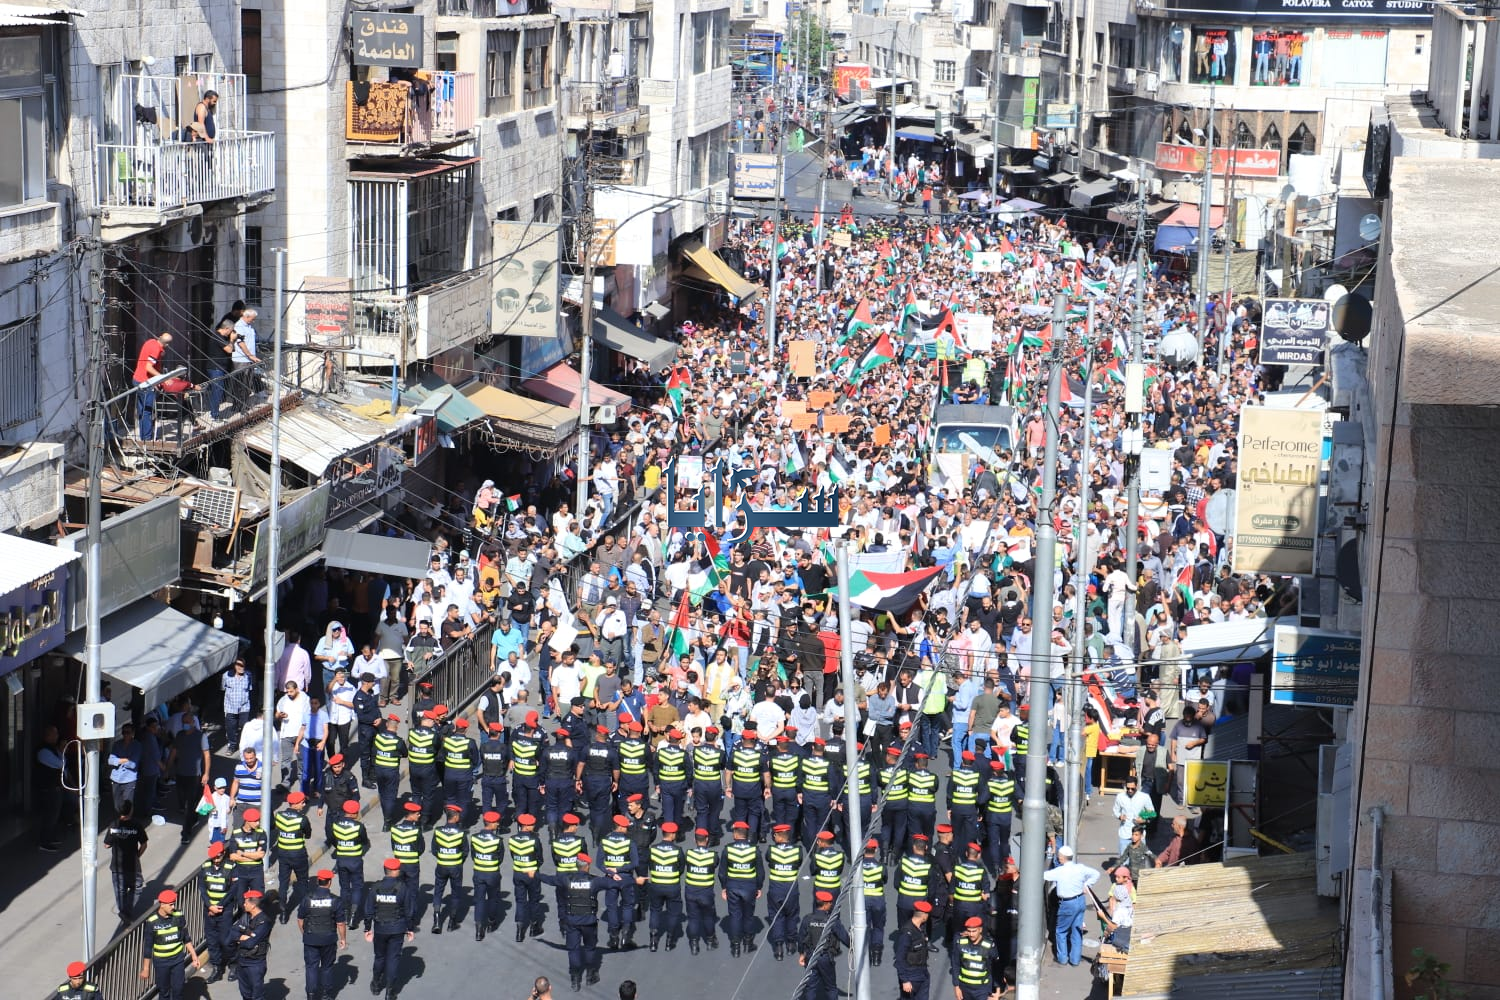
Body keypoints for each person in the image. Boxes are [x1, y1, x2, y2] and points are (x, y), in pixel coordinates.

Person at [534, 852, 625, 992]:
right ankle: (590, 976)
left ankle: (575, 980)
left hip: (572, 922)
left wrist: (534, 874)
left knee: (573, 950)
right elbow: (616, 884)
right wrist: (631, 880)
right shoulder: (595, 881)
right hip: (589, 922)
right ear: (587, 866)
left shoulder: (566, 879)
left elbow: (550, 880)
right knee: (589, 948)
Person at [365, 857, 416, 1000]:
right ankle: (390, 991)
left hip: (380, 928)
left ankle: (375, 984)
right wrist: (410, 929)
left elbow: (369, 909)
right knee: (393, 959)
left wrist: (367, 928)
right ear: (395, 871)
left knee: (380, 957)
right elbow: (409, 910)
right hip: (397, 928)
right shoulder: (403, 888)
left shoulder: (375, 887)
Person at [1041, 845, 1099, 966]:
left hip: (1067, 904)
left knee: (1061, 931)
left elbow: (1043, 875)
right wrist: (1087, 886)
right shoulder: (1080, 868)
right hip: (1080, 900)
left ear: (1062, 858)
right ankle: (1075, 959)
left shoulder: (1059, 871)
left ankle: (1062, 958)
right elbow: (1096, 874)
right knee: (1076, 931)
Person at [139, 889, 202, 1000]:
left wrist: (194, 956)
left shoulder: (178, 916)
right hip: (161, 963)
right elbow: (148, 947)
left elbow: (186, 938)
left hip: (177, 960)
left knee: (178, 989)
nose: (173, 907)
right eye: (171, 904)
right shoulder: (152, 922)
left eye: (174, 904)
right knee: (164, 991)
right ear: (162, 905)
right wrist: (146, 969)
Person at [297, 869, 346, 1000]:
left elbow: (300, 919)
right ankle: (326, 995)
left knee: (311, 967)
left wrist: (305, 934)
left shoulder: (308, 898)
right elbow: (340, 923)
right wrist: (343, 939)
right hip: (328, 939)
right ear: (329, 882)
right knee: (327, 967)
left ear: (318, 881)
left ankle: (311, 995)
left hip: (310, 938)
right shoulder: (336, 900)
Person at [798, 889, 849, 1000]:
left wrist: (802, 954)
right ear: (825, 905)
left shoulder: (807, 919)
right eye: (830, 903)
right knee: (831, 987)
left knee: (810, 987)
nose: (831, 904)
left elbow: (801, 937)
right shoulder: (831, 920)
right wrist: (853, 947)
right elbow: (843, 936)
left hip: (811, 957)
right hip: (826, 957)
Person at [329, 799, 370, 933]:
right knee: (357, 887)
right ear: (353, 813)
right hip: (355, 861)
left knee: (344, 888)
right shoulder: (359, 826)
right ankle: (353, 917)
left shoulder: (336, 825)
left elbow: (333, 841)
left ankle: (345, 914)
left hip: (341, 860)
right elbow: (364, 841)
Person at [273, 791, 313, 922]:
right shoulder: (302, 819)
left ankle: (283, 914)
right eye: (302, 802)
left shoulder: (279, 816)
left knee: (283, 883)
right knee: (303, 881)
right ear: (295, 804)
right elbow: (308, 834)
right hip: (298, 854)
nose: (304, 804)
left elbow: (275, 827)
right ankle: (305, 910)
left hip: (283, 854)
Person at [104, 800, 148, 918]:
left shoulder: (114, 825)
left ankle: (124, 912)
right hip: (133, 865)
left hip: (117, 866)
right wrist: (137, 855)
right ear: (131, 811)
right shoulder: (136, 825)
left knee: (120, 891)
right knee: (137, 887)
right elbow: (144, 844)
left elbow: (107, 845)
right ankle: (126, 912)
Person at [199, 842, 236, 982]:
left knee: (226, 940)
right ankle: (217, 968)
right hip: (209, 910)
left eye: (218, 857)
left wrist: (219, 906)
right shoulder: (205, 867)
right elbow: (202, 889)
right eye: (213, 857)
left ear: (223, 854)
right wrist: (210, 906)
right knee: (212, 941)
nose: (215, 860)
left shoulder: (231, 867)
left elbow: (233, 890)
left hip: (224, 910)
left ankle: (233, 963)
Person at [430, 803, 469, 934]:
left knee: (438, 891)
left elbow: (434, 849)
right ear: (456, 816)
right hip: (456, 867)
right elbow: (465, 851)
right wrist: (457, 860)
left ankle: (436, 920)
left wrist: (443, 857)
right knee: (456, 893)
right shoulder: (461, 833)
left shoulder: (438, 831)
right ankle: (452, 922)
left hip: (441, 866)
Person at [470, 810, 506, 940]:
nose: (497, 824)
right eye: (496, 822)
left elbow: (473, 855)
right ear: (490, 823)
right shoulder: (498, 840)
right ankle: (491, 922)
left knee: (479, 900)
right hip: (493, 874)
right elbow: (500, 858)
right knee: (492, 898)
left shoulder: (474, 838)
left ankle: (479, 930)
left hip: (478, 873)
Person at [131, 331, 173, 439]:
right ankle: (147, 438)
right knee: (147, 411)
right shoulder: (156, 349)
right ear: (166, 345)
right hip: (145, 383)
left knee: (142, 410)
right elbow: (148, 367)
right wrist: (162, 378)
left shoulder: (150, 342)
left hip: (137, 379)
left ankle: (143, 437)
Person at [949, 915, 998, 1000]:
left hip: (982, 989)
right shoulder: (960, 943)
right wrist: (956, 987)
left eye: (974, 931)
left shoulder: (989, 946)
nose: (971, 934)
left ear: (980, 930)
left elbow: (996, 967)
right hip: (964, 988)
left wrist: (996, 989)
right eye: (969, 931)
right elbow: (955, 965)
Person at [893, 899, 933, 1000]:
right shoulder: (907, 933)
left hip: (923, 973)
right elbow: (899, 958)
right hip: (911, 975)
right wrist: (905, 980)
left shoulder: (921, 928)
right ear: (924, 916)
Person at [230, 307, 262, 409]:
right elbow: (241, 343)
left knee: (247, 384)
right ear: (246, 316)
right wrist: (250, 355)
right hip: (241, 360)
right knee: (240, 383)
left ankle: (242, 403)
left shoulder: (249, 327)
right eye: (252, 319)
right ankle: (238, 404)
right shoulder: (239, 326)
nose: (253, 321)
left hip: (249, 359)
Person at [222, 659, 254, 754]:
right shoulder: (226, 675)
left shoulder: (248, 675)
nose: (241, 668)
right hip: (230, 707)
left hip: (244, 707)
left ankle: (243, 745)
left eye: (243, 665)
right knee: (231, 728)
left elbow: (250, 688)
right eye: (239, 665)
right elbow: (222, 688)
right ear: (234, 666)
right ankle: (232, 746)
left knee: (244, 726)